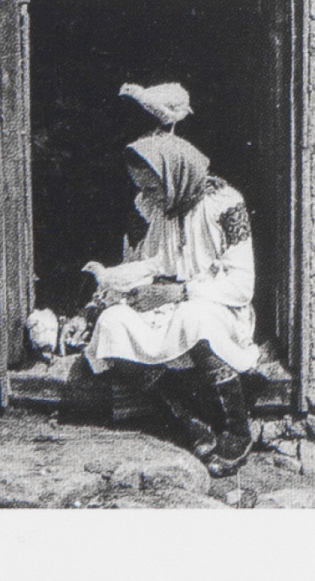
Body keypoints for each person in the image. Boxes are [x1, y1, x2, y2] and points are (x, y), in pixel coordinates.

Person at [79, 134, 258, 472]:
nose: (146, 197)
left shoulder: (225, 204)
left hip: (218, 306)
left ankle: (237, 429)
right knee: (113, 324)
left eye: (152, 188)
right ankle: (187, 418)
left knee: (193, 317)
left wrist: (179, 292)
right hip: (166, 305)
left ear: (175, 175)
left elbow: (241, 286)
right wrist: (104, 298)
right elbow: (143, 264)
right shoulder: (154, 206)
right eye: (141, 188)